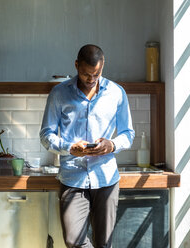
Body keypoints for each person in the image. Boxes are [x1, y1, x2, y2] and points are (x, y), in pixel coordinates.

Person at [40, 44, 135, 248]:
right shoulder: (59, 93)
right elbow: (46, 135)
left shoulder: (117, 93)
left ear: (103, 66)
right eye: (85, 74)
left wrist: (111, 144)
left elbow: (128, 134)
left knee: (104, 243)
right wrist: (69, 147)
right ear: (76, 65)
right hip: (73, 177)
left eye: (96, 74)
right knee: (74, 241)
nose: (91, 79)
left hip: (106, 178)